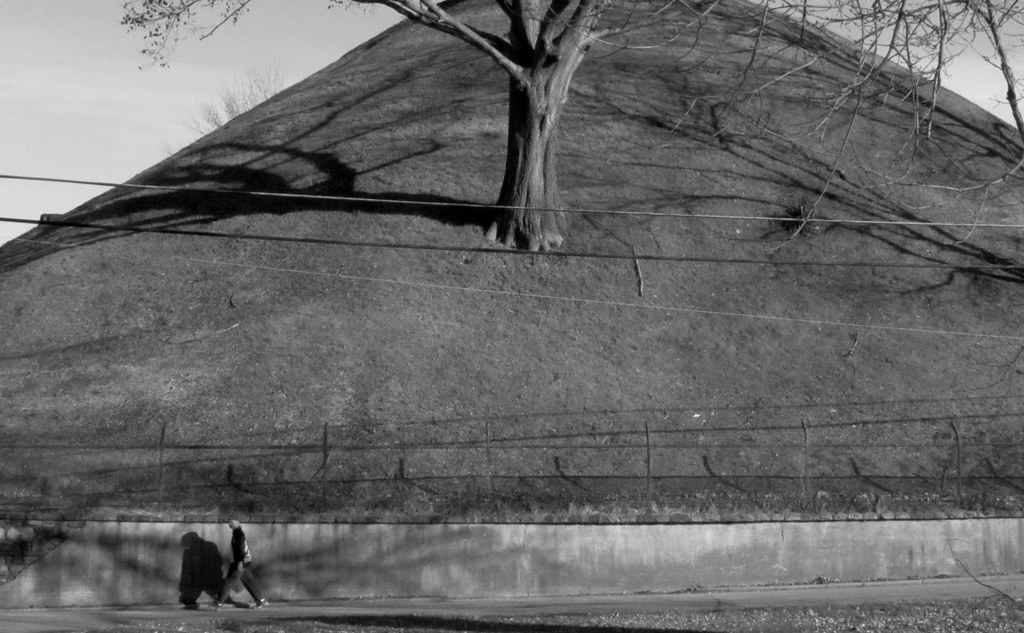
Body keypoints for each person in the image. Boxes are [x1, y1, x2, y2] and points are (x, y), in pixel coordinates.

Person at [214, 518, 269, 609]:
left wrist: (240, 562)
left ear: (238, 522)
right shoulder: (237, 532)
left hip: (241, 562)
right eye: (229, 522)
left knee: (229, 581)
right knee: (249, 581)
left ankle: (219, 602)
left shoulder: (238, 533)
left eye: (232, 522)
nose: (230, 524)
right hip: (245, 562)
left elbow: (242, 548)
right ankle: (261, 601)